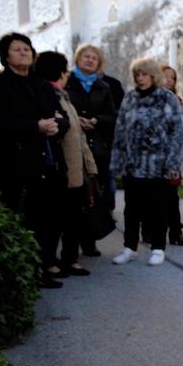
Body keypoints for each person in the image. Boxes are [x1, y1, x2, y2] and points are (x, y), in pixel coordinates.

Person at [0, 33, 69, 288]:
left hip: (47, 162)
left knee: (48, 218)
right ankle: (22, 275)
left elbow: (61, 117)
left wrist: (57, 126)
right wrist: (35, 127)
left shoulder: (42, 85)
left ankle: (43, 266)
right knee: (22, 218)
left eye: (27, 48)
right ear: (6, 56)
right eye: (17, 49)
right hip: (14, 164)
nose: (24, 53)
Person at [109, 58, 183, 267]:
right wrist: (118, 161)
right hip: (133, 165)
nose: (140, 79)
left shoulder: (167, 99)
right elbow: (121, 130)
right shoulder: (130, 98)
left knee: (158, 208)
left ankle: (158, 247)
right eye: (137, 75)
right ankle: (129, 247)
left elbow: (178, 132)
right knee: (131, 208)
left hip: (158, 165)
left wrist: (172, 163)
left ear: (153, 75)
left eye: (144, 74)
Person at [34, 51, 98, 277]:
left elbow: (78, 136)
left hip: (75, 168)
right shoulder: (47, 95)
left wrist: (90, 167)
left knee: (74, 218)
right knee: (56, 220)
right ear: (60, 73)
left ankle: (70, 259)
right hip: (61, 170)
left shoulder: (64, 96)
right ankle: (51, 262)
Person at [66, 44, 117, 256]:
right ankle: (70, 246)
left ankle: (89, 241)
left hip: (97, 148)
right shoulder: (67, 83)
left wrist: (96, 121)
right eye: (86, 57)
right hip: (72, 146)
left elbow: (112, 116)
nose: (89, 60)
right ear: (78, 59)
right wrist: (75, 120)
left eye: (94, 58)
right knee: (74, 197)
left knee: (95, 197)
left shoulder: (103, 87)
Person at [159, 64, 183, 246]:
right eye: (165, 76)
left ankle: (176, 232)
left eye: (172, 78)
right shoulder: (151, 99)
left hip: (172, 153)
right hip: (156, 154)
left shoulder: (176, 100)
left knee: (172, 195)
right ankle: (153, 231)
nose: (169, 80)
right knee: (155, 196)